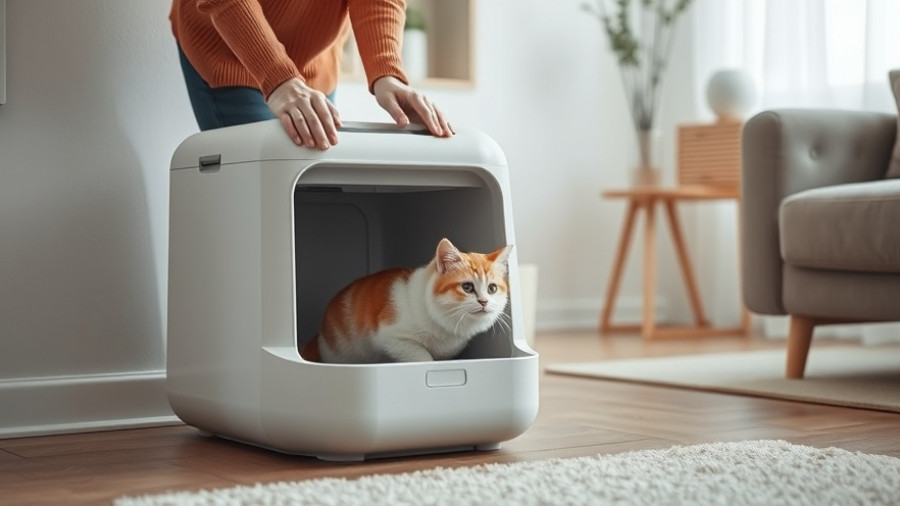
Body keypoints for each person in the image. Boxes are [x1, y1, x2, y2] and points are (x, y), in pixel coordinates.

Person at [169, 0, 453, 150]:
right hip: (231, 48)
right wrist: (278, 78)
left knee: (314, 190)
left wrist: (387, 72)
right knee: (266, 191)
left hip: (313, 58)